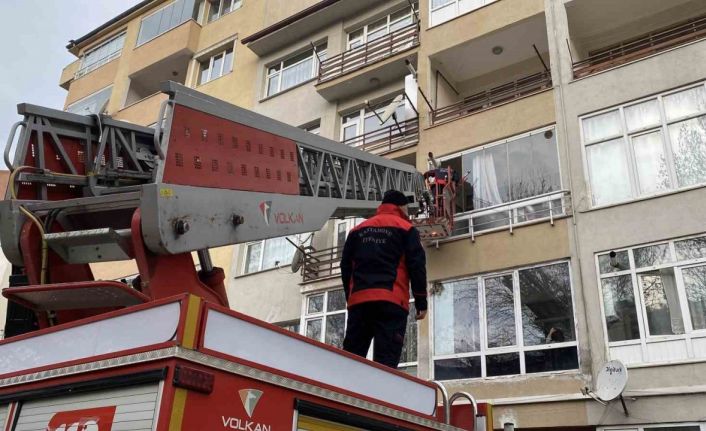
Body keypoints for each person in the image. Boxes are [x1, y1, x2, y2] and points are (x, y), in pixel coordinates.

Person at [340, 189, 428, 368]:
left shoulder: (357, 231)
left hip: (360, 303)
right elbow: (416, 266)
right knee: (385, 366)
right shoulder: (406, 229)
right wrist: (421, 302)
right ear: (402, 207)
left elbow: (345, 266)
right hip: (391, 304)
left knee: (350, 362)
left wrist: (350, 296)